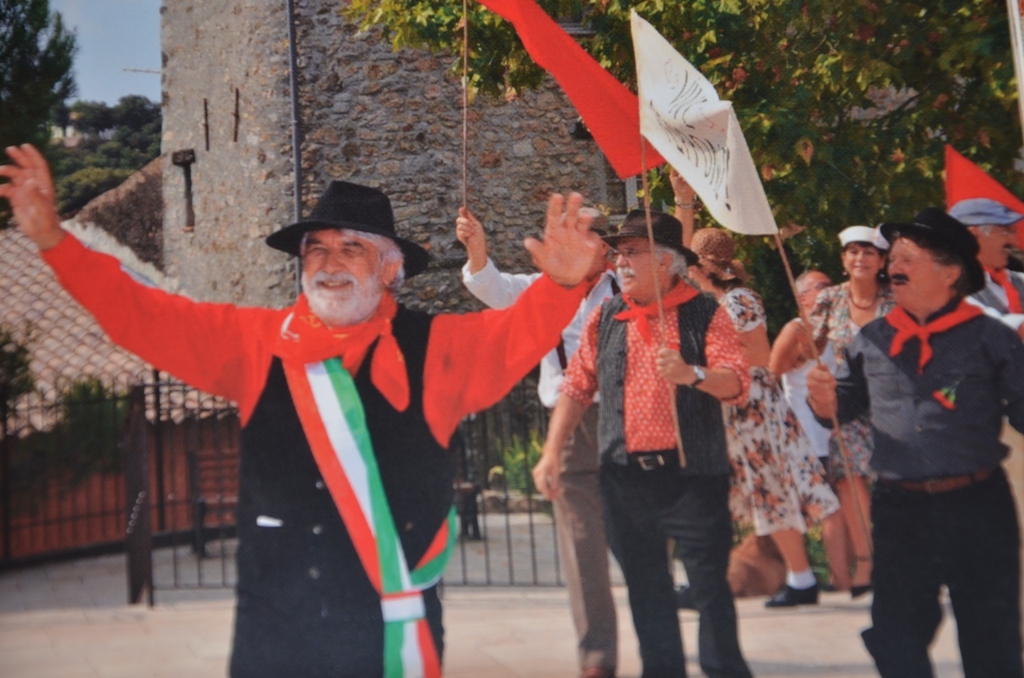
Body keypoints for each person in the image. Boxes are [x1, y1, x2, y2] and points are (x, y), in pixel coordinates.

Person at [0, 144, 602, 678]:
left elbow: (514, 335)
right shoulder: (255, 342)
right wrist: (55, 242)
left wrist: (561, 286)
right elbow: (145, 315)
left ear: (392, 268)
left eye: (351, 248)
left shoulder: (437, 348)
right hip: (275, 631)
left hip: (389, 632)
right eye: (316, 249)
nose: (329, 263)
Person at [806, 208, 1024, 678]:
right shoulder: (871, 339)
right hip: (900, 508)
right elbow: (841, 408)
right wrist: (823, 400)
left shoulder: (992, 337)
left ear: (950, 273)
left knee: (992, 640)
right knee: (895, 635)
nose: (893, 268)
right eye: (894, 258)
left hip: (977, 505)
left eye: (908, 258)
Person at [535, 209, 753, 678]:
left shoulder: (705, 313)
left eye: (632, 252)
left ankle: (724, 670)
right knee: (647, 589)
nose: (620, 261)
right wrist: (552, 452)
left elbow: (737, 382)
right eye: (618, 252)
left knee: (709, 587)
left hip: (693, 475)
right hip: (625, 478)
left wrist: (692, 374)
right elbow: (576, 387)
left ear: (666, 261)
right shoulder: (606, 316)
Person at [456, 206, 619, 678]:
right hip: (570, 423)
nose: (573, 246)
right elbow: (492, 288)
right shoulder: (540, 287)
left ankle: (658, 627)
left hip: (630, 417)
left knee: (639, 531)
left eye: (585, 237)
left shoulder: (627, 287)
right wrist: (476, 247)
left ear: (605, 248)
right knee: (582, 541)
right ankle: (598, 657)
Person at [687, 229, 841, 607]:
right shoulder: (719, 301)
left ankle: (801, 578)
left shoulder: (738, 301)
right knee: (757, 495)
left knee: (769, 492)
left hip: (752, 408)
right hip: (736, 406)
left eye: (692, 262)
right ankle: (791, 578)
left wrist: (703, 361)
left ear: (705, 266)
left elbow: (758, 356)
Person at [808, 225, 894, 597]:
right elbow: (810, 343)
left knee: (895, 482)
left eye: (869, 252)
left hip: (895, 399)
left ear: (882, 261)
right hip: (850, 400)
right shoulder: (830, 298)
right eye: (853, 252)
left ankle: (903, 558)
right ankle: (866, 560)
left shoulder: (897, 297)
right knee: (849, 477)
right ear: (843, 260)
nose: (860, 259)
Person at [769, 270, 852, 591]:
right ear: (801, 297)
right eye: (821, 287)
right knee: (829, 509)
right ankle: (838, 578)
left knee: (843, 508)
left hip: (841, 434)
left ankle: (845, 576)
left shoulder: (841, 326)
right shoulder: (796, 329)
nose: (828, 291)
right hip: (808, 436)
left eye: (830, 286)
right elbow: (772, 373)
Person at [948, 197, 1024, 337]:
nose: (1014, 241)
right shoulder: (952, 289)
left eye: (1013, 231)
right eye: (1006, 231)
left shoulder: (1018, 279)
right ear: (973, 235)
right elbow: (998, 330)